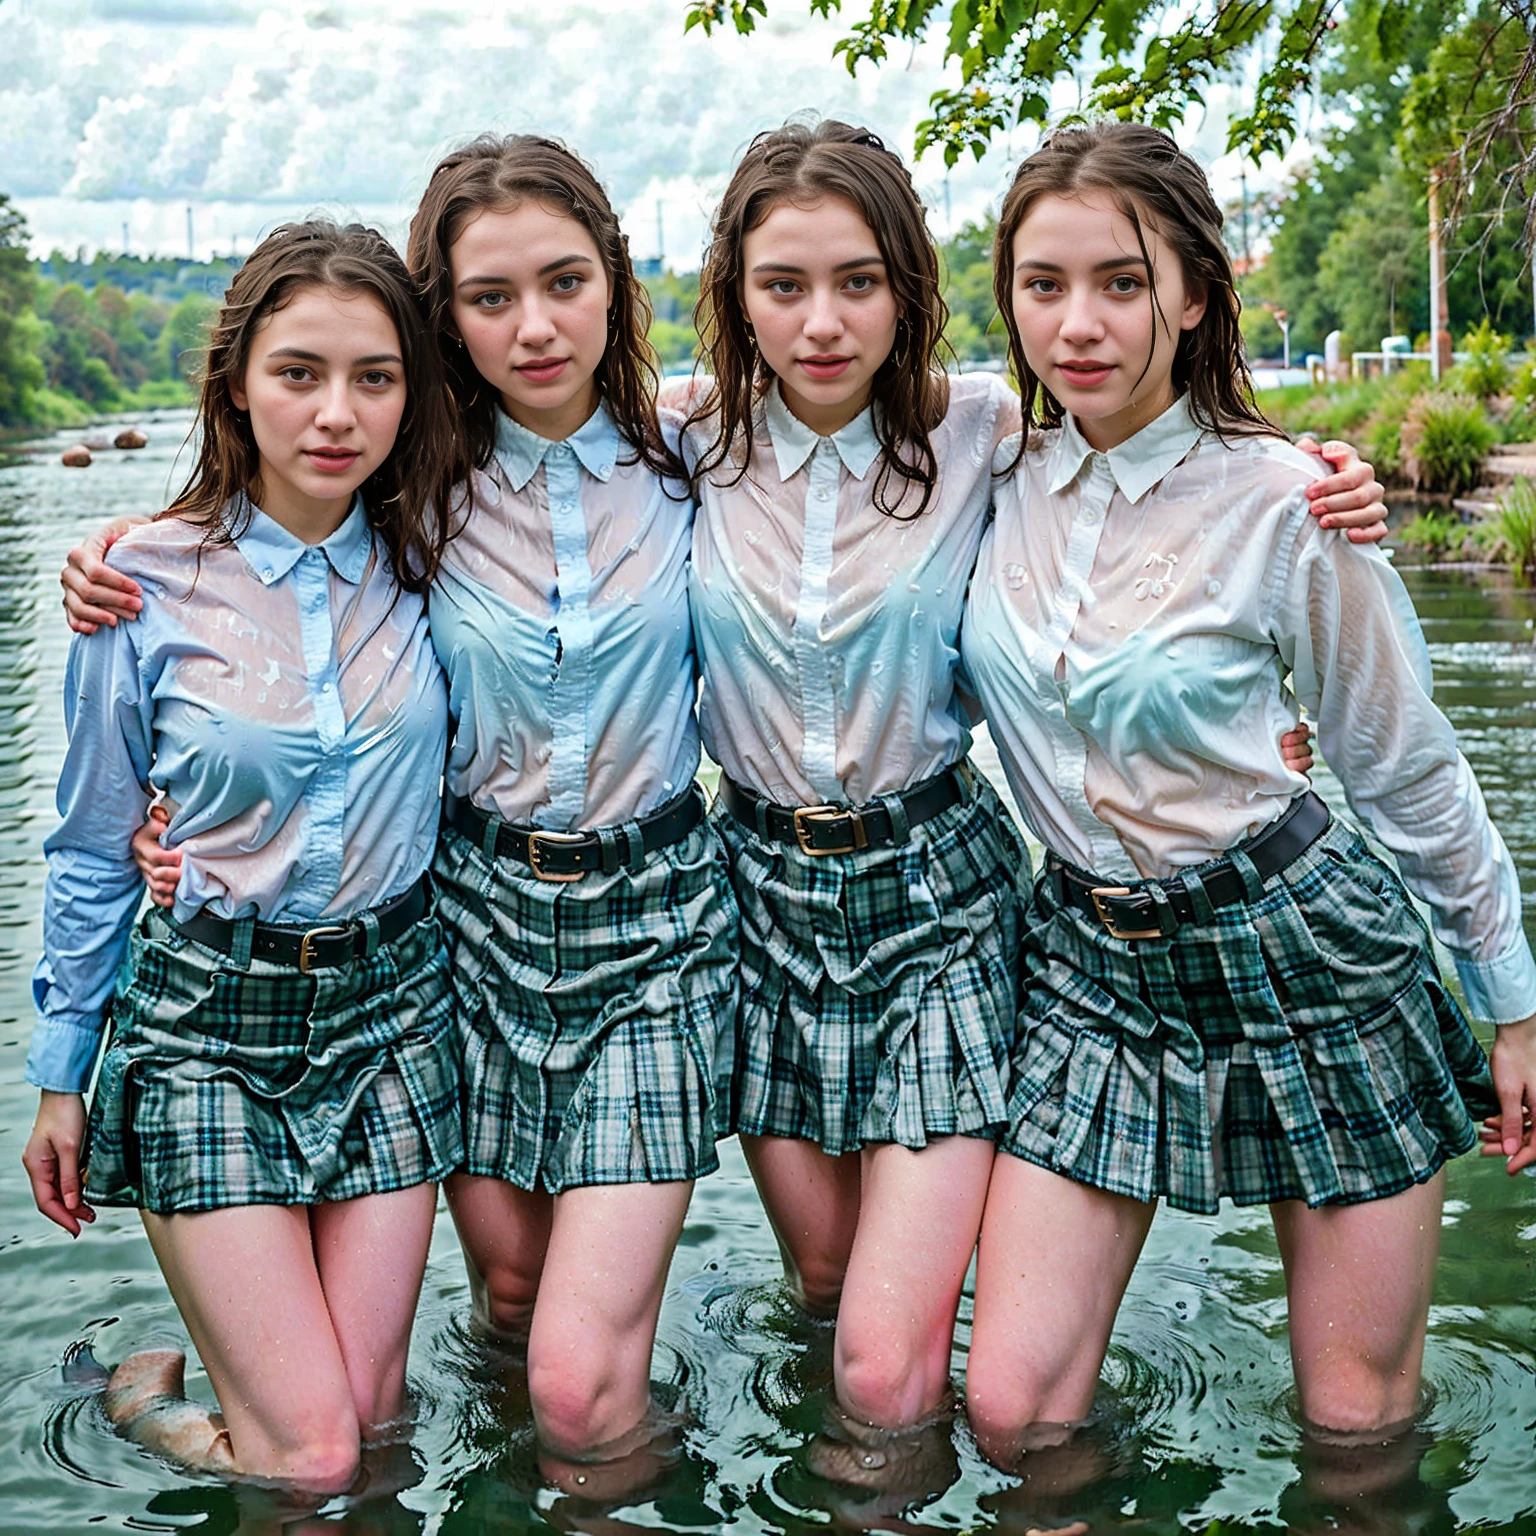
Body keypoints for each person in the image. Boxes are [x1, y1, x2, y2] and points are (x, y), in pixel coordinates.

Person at [664, 117, 1390, 1449]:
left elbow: (1166, 458)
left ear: (914, 295)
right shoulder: (678, 443)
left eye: (860, 282)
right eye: (783, 286)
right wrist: (177, 550)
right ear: (735, 300)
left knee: (889, 1374)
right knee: (828, 1301)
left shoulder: (986, 433)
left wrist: (1321, 476)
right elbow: (466, 468)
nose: (823, 321)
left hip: (940, 893)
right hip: (753, 896)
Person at [59, 136, 738, 1471]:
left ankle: (569, 1473)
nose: (534, 325)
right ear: (451, 324)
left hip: (629, 932)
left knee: (543, 1397)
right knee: (384, 1412)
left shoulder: (698, 446)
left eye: (563, 281)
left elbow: (893, 407)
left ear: (615, 283)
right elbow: (249, 573)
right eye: (490, 298)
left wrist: (1251, 459)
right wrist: (120, 562)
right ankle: (180, 1412)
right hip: (449, 937)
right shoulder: (420, 495)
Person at [958, 121, 1536, 1468]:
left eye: (1121, 280)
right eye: (1043, 285)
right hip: (1090, 968)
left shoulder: (1291, 504)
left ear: (1196, 292)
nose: (1078, 323)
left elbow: (1405, 767)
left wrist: (1513, 1002)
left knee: (1355, 1435)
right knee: (1014, 1415)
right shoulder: (986, 475)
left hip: (1308, 960)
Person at [22, 222, 463, 1493]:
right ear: (235, 384)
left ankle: (185, 1403)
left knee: (371, 1439)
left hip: (391, 1019)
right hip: (207, 1023)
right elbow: (95, 845)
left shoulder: (438, 558)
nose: (337, 412)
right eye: (298, 371)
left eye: (375, 376)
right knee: (315, 1457)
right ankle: (147, 1411)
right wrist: (64, 1072)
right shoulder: (140, 586)